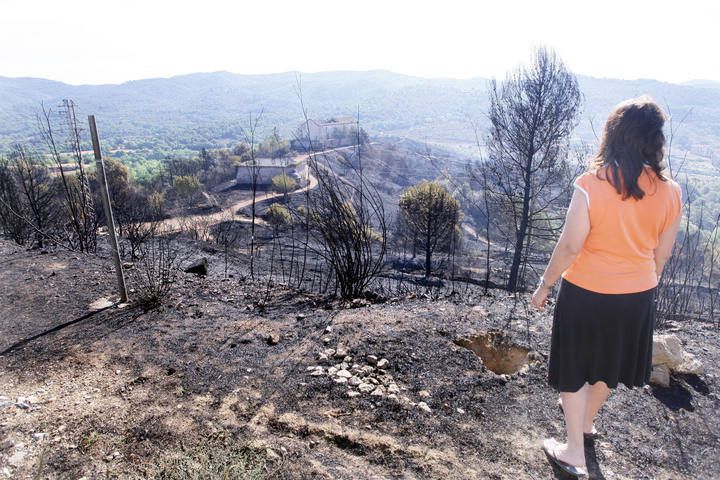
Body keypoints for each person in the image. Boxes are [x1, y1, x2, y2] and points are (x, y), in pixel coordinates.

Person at [530, 96, 683, 477]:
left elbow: (569, 246)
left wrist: (545, 285)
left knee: (573, 366)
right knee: (609, 366)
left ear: (613, 136)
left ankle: (573, 452)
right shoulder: (672, 192)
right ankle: (584, 424)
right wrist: (642, 284)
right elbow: (661, 256)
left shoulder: (591, 184)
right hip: (637, 296)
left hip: (586, 292)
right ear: (654, 140)